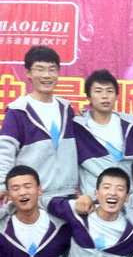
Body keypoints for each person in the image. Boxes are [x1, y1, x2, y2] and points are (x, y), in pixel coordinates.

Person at [0, 46, 77, 199]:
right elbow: (5, 152)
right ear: (28, 73)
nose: (46, 75)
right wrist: (3, 185)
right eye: (39, 69)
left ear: (58, 72)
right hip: (31, 197)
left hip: (66, 195)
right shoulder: (18, 111)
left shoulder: (66, 108)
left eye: (52, 69)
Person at [74, 70, 133, 196]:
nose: (105, 96)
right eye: (98, 91)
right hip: (95, 200)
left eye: (109, 91)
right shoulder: (78, 127)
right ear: (88, 97)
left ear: (116, 95)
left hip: (129, 197)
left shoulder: (131, 124)